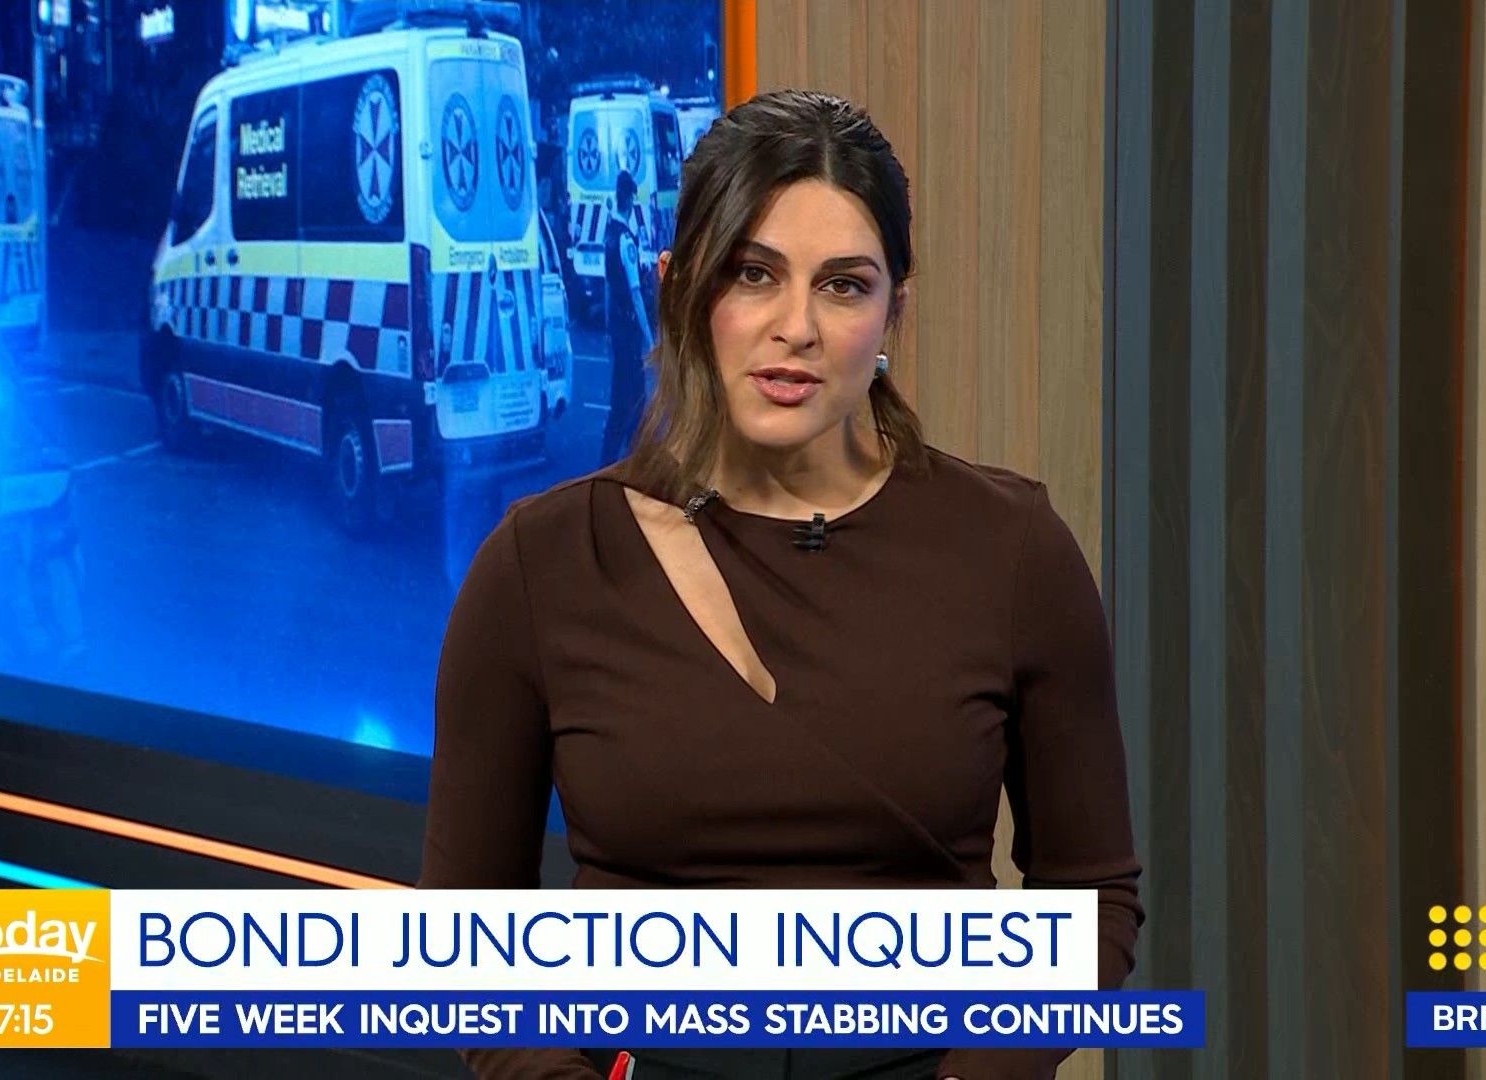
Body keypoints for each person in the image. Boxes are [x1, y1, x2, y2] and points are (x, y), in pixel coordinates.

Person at [421, 89, 1143, 1080]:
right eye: (753, 273)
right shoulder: (541, 566)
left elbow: (1092, 894)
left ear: (893, 311)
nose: (795, 326)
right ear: (678, 288)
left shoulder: (1013, 551)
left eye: (843, 286)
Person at [598, 168, 655, 466]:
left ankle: (631, 458)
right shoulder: (626, 241)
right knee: (630, 399)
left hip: (617, 328)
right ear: (630, 200)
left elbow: (609, 286)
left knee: (628, 398)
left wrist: (609, 329)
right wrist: (650, 340)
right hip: (629, 330)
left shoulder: (608, 235)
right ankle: (619, 462)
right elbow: (635, 295)